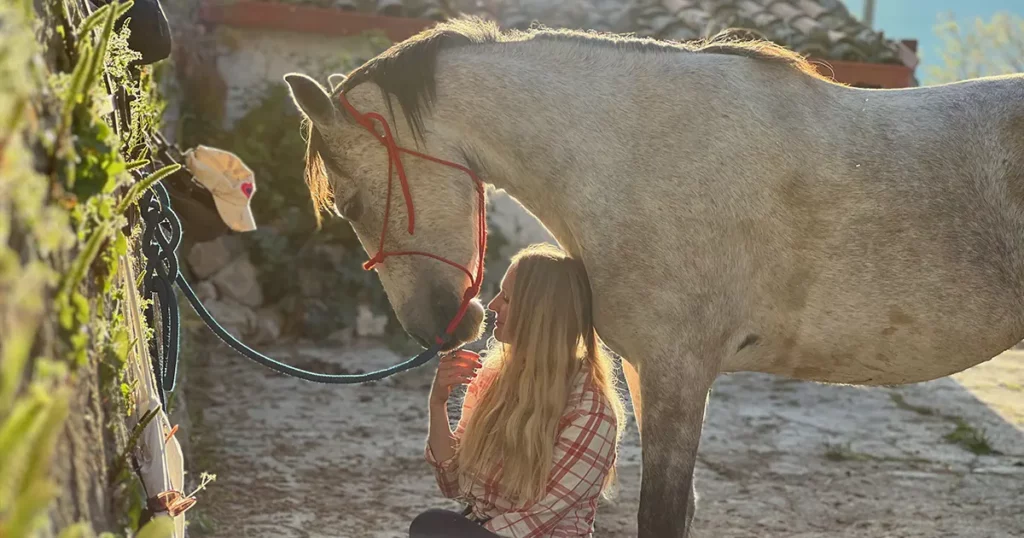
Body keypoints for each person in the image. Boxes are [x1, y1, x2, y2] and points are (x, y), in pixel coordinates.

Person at [409, 243, 627, 538]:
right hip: (482, 531)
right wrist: (438, 403)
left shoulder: (591, 412)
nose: (493, 305)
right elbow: (453, 485)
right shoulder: (493, 377)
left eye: (508, 299)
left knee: (434, 528)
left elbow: (538, 519)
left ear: (540, 314)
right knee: (431, 526)